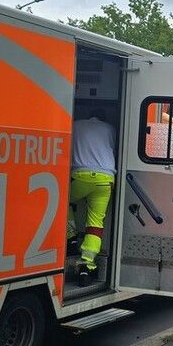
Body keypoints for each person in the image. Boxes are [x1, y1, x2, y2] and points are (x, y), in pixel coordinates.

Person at [67, 108, 116, 285]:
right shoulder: (110, 129)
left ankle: (71, 238)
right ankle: (87, 264)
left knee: (63, 202)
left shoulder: (76, 125)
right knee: (96, 222)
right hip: (106, 179)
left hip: (81, 175)